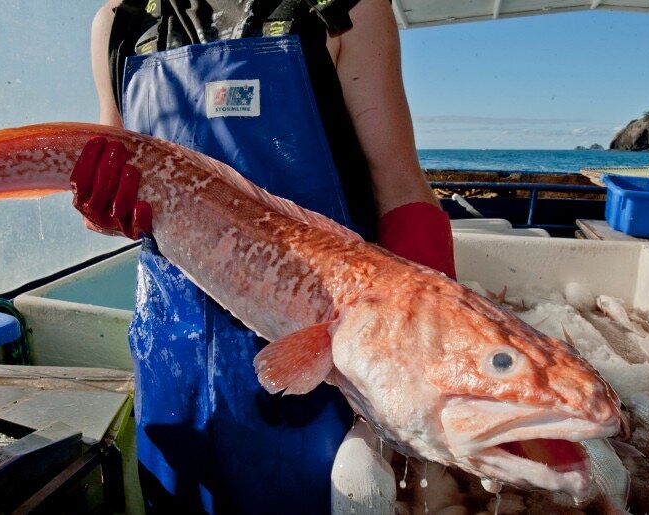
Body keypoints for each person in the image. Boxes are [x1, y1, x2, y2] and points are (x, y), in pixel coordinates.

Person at [70, 0, 456, 512]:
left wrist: (442, 352)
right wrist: (100, 209)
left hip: (316, 354)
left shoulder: (346, 9)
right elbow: (113, 169)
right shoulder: (119, 24)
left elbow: (399, 185)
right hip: (169, 350)